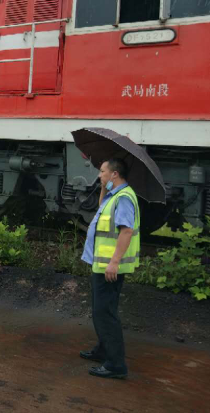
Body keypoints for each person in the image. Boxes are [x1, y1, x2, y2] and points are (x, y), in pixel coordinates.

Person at [79, 158, 140, 379]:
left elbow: (126, 231)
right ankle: (104, 349)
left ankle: (116, 365)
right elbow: (101, 209)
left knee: (105, 313)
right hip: (101, 264)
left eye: (103, 172)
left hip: (109, 266)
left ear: (114, 173)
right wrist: (104, 188)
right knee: (100, 309)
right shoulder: (115, 195)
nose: (99, 175)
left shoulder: (123, 199)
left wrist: (114, 262)